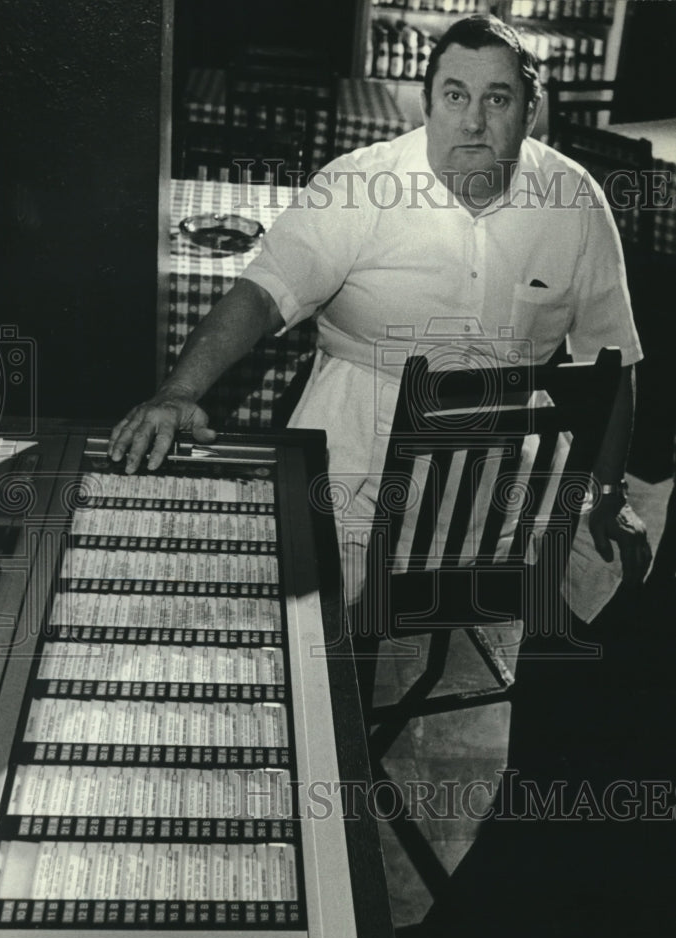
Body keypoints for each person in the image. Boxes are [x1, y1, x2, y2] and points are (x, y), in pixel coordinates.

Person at [110, 14, 650, 616]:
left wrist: (609, 487)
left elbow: (614, 359)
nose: (472, 121)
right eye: (454, 96)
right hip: (363, 439)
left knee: (610, 560)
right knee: (296, 602)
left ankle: (528, 698)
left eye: (497, 99)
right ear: (425, 104)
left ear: (531, 110)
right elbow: (263, 294)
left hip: (508, 453)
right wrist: (179, 390)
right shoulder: (360, 184)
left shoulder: (575, 200)